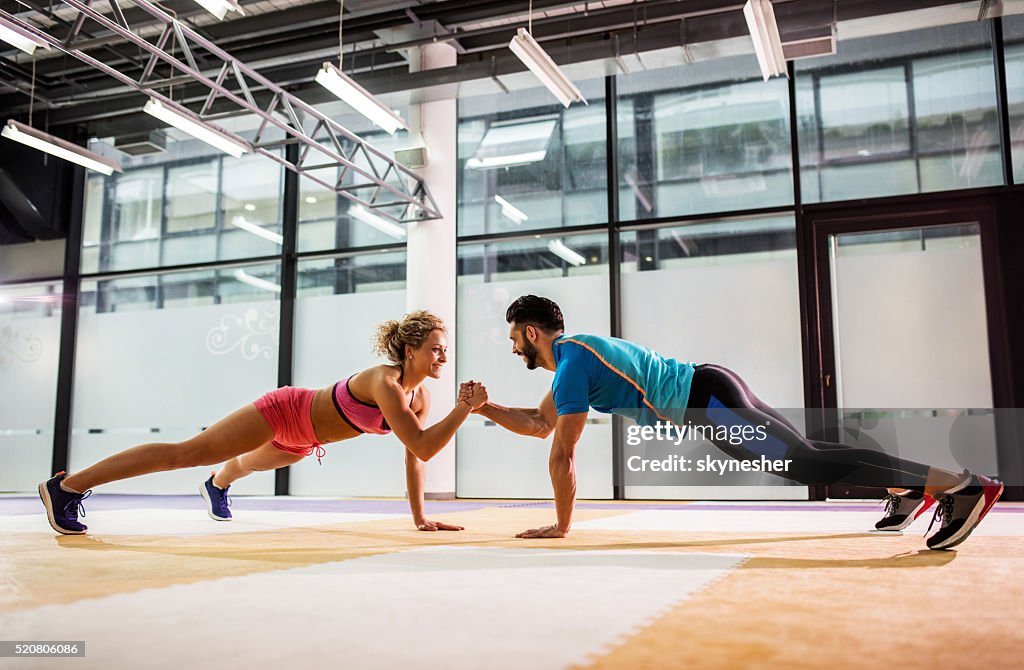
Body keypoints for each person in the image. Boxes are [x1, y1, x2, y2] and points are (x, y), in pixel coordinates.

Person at [459, 295, 1003, 551]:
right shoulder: (573, 365)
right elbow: (537, 423)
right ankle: (907, 489)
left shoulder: (573, 361)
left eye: (512, 338)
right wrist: (484, 408)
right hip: (711, 391)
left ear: (532, 333)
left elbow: (561, 452)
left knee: (803, 462)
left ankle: (959, 485)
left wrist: (561, 526)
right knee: (805, 452)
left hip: (709, 400)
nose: (512, 349)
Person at [39, 311, 487, 535]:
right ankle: (68, 486)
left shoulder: (420, 396)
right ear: (410, 350)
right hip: (284, 411)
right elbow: (427, 445)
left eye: (444, 349)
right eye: (435, 348)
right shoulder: (385, 382)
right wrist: (464, 409)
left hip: (304, 440)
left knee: (244, 467)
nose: (443, 356)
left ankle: (216, 486)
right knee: (186, 453)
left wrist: (421, 518)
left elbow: (416, 456)